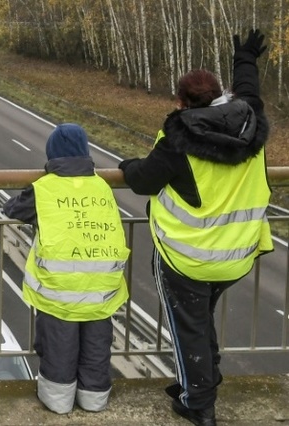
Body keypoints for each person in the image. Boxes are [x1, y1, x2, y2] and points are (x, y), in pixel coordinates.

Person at [118, 30, 273, 426]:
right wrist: (245, 58)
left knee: (188, 328)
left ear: (182, 103)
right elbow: (250, 92)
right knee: (200, 320)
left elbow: (143, 181)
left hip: (187, 258)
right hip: (239, 254)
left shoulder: (178, 139)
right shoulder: (250, 123)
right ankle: (203, 377)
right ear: (221, 97)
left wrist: (125, 165)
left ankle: (198, 402)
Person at [3, 123, 129, 414]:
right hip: (101, 291)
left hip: (60, 292)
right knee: (96, 346)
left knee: (59, 345)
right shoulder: (103, 187)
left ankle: (58, 401)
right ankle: (94, 398)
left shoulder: (44, 189)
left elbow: (13, 209)